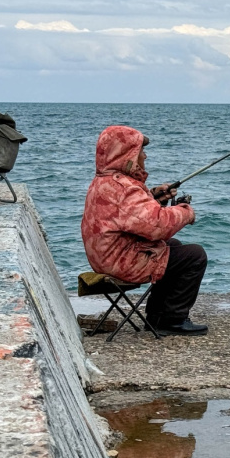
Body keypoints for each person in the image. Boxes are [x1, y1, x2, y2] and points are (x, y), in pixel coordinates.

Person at [81, 125, 208, 336]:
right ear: (126, 155)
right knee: (194, 255)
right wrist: (185, 212)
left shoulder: (105, 182)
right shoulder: (123, 188)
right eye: (140, 151)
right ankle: (172, 320)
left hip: (106, 257)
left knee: (172, 247)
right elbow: (157, 227)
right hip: (120, 262)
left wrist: (154, 196)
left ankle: (157, 316)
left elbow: (129, 216)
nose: (145, 156)